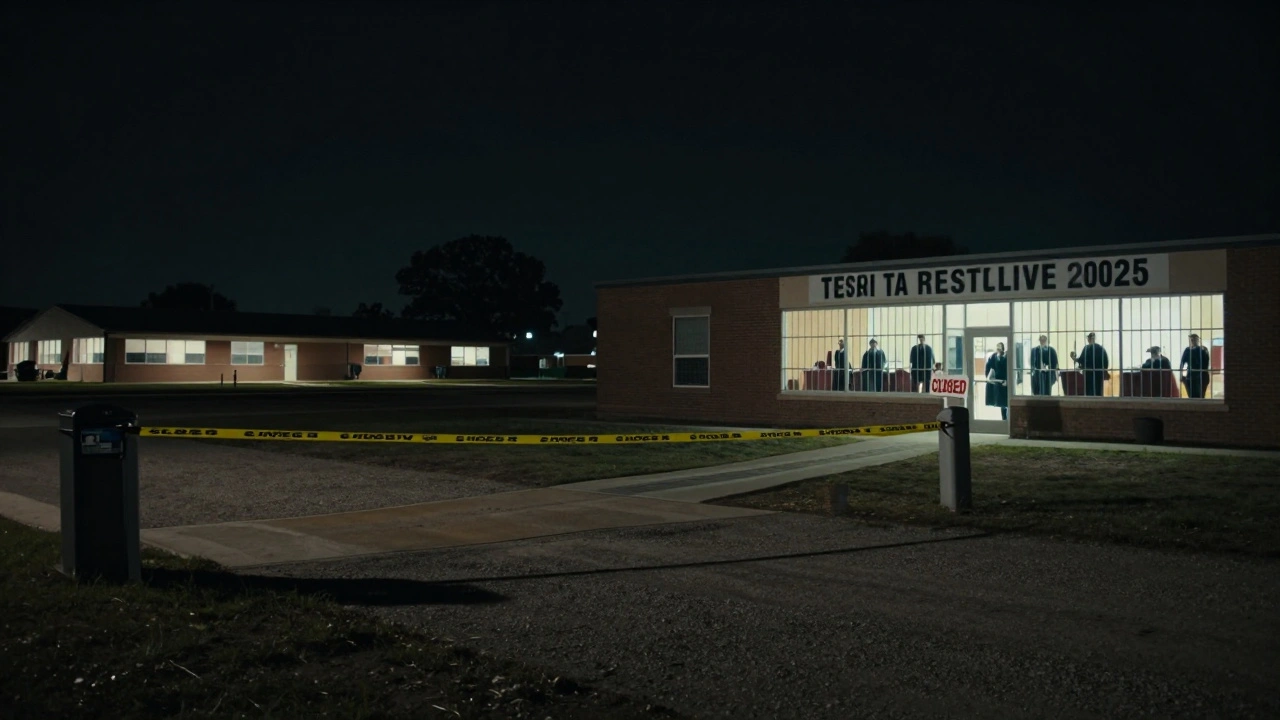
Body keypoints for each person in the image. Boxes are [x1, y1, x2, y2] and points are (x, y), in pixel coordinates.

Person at [1069, 332, 1109, 397]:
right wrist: (1104, 370)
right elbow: (1106, 361)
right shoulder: (1101, 348)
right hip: (1099, 373)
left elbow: (1081, 360)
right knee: (1098, 391)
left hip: (1088, 373)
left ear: (1088, 339)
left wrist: (1073, 358)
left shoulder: (1087, 348)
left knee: (1089, 392)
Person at [1179, 333, 1211, 398]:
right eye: (1191, 340)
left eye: (1194, 339)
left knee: (1200, 395)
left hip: (1201, 375)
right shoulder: (1187, 350)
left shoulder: (1203, 349)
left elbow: (1206, 363)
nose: (1192, 341)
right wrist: (1182, 375)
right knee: (1191, 395)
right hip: (1190, 375)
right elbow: (1183, 363)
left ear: (1198, 340)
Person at [985, 341, 1009, 420]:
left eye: (1000, 347)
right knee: (1001, 403)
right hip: (998, 382)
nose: (998, 349)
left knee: (1007, 401)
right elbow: (988, 368)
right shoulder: (994, 356)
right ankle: (1004, 419)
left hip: (1006, 382)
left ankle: (1007, 418)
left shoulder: (1008, 356)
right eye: (997, 347)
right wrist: (989, 377)